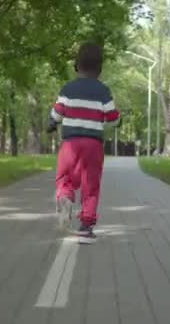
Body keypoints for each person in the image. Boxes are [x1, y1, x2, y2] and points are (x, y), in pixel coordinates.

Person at [47, 42, 121, 243]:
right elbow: (113, 118)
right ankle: (86, 227)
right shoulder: (103, 91)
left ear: (77, 66)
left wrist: (52, 122)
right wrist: (117, 119)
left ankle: (65, 198)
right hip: (93, 145)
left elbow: (57, 114)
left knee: (65, 178)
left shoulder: (68, 89)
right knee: (91, 184)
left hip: (70, 144)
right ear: (99, 68)